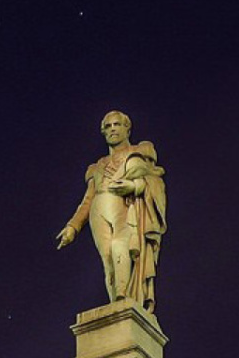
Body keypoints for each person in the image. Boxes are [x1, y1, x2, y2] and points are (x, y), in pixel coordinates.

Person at [54, 110, 167, 311]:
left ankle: (124, 299)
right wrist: (73, 226)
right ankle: (116, 302)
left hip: (123, 205)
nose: (112, 129)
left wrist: (134, 187)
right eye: (108, 126)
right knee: (108, 260)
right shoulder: (97, 166)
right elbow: (87, 199)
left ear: (127, 129)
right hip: (99, 207)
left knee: (120, 245)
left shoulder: (139, 153)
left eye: (117, 125)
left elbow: (154, 181)